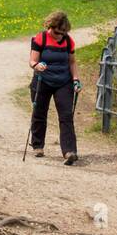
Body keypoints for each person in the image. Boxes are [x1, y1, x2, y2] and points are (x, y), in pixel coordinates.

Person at [29, 10, 80, 165]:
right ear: (50, 27)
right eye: (57, 32)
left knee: (66, 116)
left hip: (63, 82)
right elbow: (32, 61)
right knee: (39, 113)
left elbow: (72, 62)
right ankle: (38, 146)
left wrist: (76, 79)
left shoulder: (68, 41)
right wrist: (37, 65)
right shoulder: (41, 38)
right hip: (42, 80)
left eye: (63, 33)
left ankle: (69, 152)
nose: (59, 35)